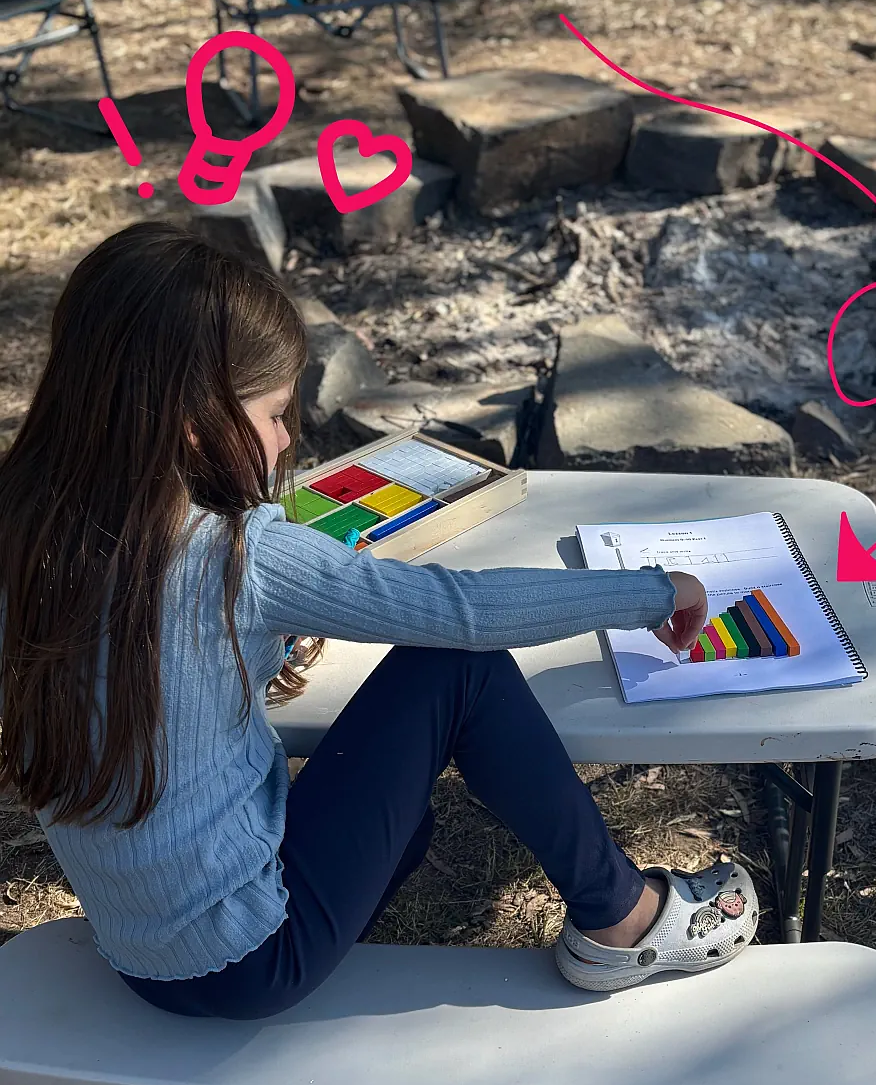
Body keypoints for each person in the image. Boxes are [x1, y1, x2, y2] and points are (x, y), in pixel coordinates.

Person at [0, 222, 758, 1020]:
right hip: (249, 956)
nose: (286, 441)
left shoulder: (24, 528)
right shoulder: (234, 555)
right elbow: (467, 614)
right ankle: (623, 920)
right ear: (192, 421)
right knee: (456, 668)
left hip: (135, 947)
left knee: (409, 821)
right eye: (274, 415)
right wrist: (655, 591)